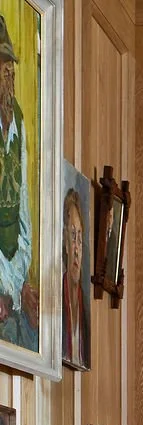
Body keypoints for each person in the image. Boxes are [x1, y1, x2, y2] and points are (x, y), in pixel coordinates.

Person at [0, 18, 38, 352]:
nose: (8, 76)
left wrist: (20, 274)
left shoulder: (18, 118)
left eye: (10, 68)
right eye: (2, 69)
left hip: (13, 262)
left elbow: (23, 200)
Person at [62, 188, 89, 368]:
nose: (77, 249)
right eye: (72, 236)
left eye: (79, 238)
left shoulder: (85, 310)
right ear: (65, 242)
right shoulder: (56, 300)